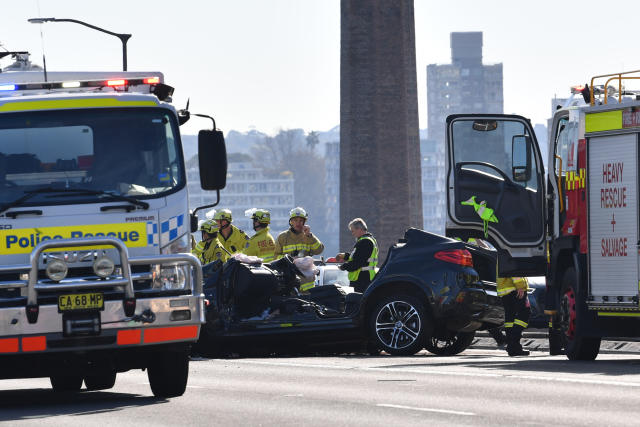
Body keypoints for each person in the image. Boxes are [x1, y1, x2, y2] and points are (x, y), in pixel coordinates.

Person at [274, 207, 324, 291]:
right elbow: (276, 257)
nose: (298, 223)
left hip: (307, 282)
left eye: (301, 221)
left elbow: (319, 250)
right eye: (295, 220)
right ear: (291, 222)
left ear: (304, 222)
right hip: (289, 279)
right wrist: (289, 260)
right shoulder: (282, 237)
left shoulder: (308, 236)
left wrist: (309, 236)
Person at [335, 218, 378, 293]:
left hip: (362, 279)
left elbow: (358, 262)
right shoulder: (370, 240)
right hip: (366, 278)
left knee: (358, 302)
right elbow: (357, 256)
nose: (352, 233)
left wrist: (343, 266)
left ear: (359, 229)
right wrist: (345, 256)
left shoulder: (365, 242)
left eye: (353, 231)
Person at [498, 275, 531, 356]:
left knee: (510, 320)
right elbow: (515, 270)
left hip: (506, 291)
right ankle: (514, 345)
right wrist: (520, 286)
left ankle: (512, 347)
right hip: (515, 289)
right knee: (524, 315)